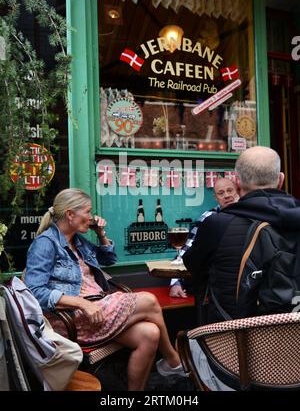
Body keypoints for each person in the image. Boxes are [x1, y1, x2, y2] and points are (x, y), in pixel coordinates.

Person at [25, 188, 185, 391]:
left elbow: (108, 259)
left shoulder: (77, 240)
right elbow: (34, 292)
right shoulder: (45, 244)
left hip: (97, 310)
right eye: (88, 212)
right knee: (149, 300)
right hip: (73, 318)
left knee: (150, 334)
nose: (91, 217)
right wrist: (81, 303)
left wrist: (101, 233)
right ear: (70, 214)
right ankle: (173, 361)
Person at [183, 146, 300, 391]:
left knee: (189, 340)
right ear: (280, 180)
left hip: (234, 363)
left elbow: (191, 265)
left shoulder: (215, 225)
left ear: (237, 183)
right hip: (297, 359)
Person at [169, 177, 239, 298]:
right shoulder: (208, 217)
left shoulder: (249, 215)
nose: (226, 195)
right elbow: (187, 250)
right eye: (221, 193)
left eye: (230, 190)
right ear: (215, 198)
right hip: (214, 286)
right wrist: (176, 282)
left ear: (237, 191)